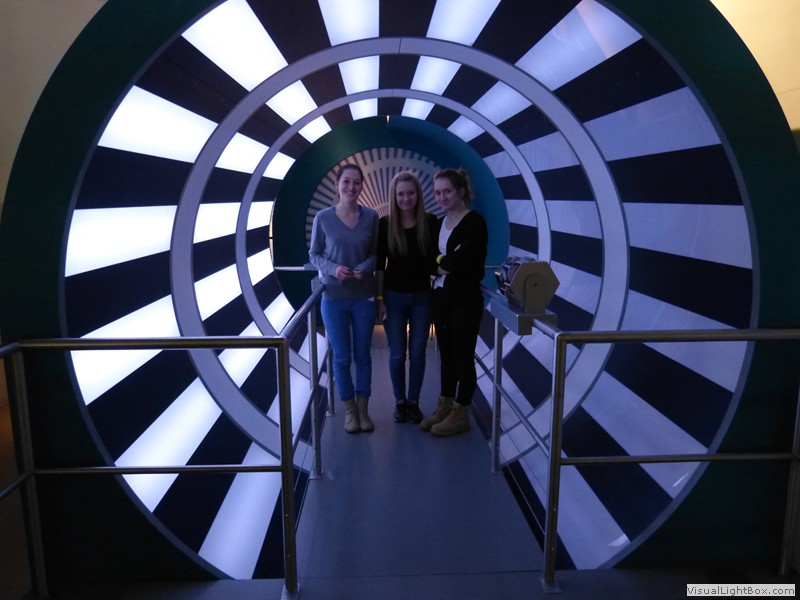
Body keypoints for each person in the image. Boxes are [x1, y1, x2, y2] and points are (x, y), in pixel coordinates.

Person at [309, 163, 379, 434]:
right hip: (334, 297)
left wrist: (366, 267)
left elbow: (375, 254)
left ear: (362, 185)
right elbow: (315, 254)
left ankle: (363, 410)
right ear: (337, 185)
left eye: (356, 182)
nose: (351, 187)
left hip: (364, 297)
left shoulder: (371, 217)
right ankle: (349, 410)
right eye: (346, 182)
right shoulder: (323, 218)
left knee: (363, 355)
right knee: (341, 357)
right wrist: (333, 269)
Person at [420, 168, 488, 437]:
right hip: (441, 298)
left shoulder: (474, 223)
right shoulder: (438, 224)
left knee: (463, 355)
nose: (442, 197)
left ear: (461, 191)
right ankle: (445, 405)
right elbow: (428, 260)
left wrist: (441, 261)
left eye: (447, 191)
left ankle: (461, 413)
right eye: (437, 193)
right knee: (446, 355)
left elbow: (463, 262)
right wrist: (442, 262)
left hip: (465, 301)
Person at [376, 171, 438, 424]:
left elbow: (436, 258)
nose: (406, 198)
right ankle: (400, 402)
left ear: (418, 194)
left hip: (422, 296)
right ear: (394, 196)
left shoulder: (430, 221)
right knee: (397, 354)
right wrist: (379, 299)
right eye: (401, 194)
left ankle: (414, 402)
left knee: (419, 352)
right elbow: (379, 266)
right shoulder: (385, 224)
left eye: (410, 193)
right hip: (393, 297)